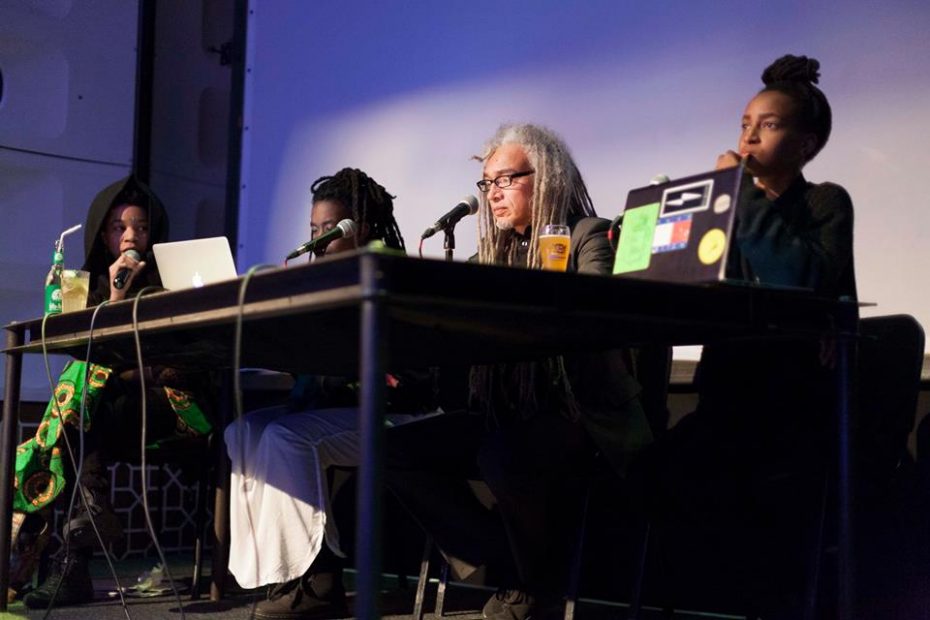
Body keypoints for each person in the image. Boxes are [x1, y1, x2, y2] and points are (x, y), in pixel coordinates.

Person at [385, 123, 653, 620]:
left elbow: (601, 308)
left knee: (503, 455)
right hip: (505, 413)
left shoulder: (586, 235)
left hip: (580, 415)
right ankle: (509, 556)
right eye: (487, 184)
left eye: (507, 179)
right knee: (394, 449)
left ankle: (535, 583)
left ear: (547, 177)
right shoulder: (491, 255)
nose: (492, 194)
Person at [638, 54, 856, 616]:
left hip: (791, 412)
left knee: (736, 487)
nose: (750, 135)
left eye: (769, 124)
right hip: (727, 402)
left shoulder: (823, 202)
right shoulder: (727, 209)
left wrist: (737, 193)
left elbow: (797, 276)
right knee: (655, 470)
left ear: (806, 144)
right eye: (744, 124)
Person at [224, 168, 438, 620]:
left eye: (330, 230)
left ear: (359, 229)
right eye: (313, 231)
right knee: (243, 429)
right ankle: (279, 572)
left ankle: (320, 582)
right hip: (336, 412)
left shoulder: (386, 273)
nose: (319, 241)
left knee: (287, 437)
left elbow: (406, 374)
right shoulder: (316, 280)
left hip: (397, 416)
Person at [15, 175, 213, 609]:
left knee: (80, 405)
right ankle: (74, 552)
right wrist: (118, 294)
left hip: (175, 410)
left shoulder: (174, 282)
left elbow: (179, 366)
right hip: (115, 417)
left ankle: (62, 556)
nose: (130, 237)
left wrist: (119, 374)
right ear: (102, 236)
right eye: (119, 228)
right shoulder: (95, 291)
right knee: (83, 415)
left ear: (153, 233)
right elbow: (87, 349)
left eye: (140, 227)